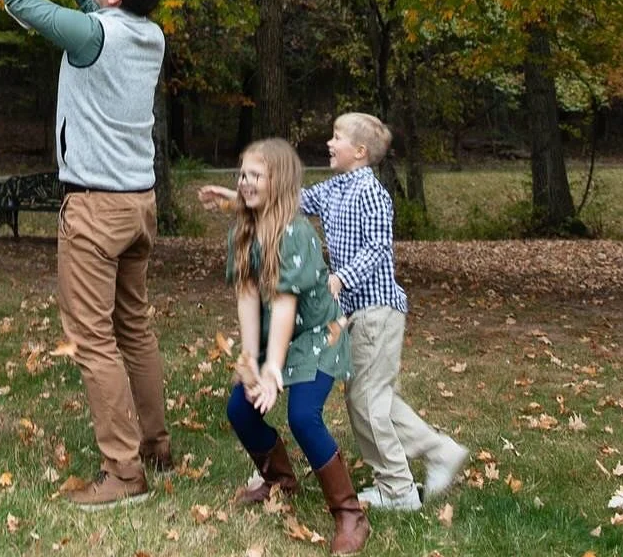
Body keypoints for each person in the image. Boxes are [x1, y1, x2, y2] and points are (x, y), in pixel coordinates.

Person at [0, 0, 170, 507]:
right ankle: (155, 445)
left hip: (95, 209)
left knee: (93, 339)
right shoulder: (149, 34)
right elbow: (95, 1)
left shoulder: (93, 37)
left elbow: (24, 5)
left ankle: (123, 473)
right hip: (140, 204)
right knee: (133, 328)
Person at [201, 112, 468, 512]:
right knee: (373, 397)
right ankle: (439, 450)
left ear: (359, 152)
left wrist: (341, 277)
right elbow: (287, 201)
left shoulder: (371, 193)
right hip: (352, 312)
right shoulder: (335, 187)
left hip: (377, 308)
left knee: (367, 401)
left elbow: (379, 248)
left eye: (337, 137)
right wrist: (234, 196)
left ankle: (398, 489)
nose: (329, 142)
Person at [216, 137, 368, 555]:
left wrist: (273, 370)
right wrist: (251, 359)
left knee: (303, 415)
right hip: (274, 337)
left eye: (256, 176)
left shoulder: (295, 233)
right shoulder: (243, 231)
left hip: (316, 336)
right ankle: (279, 481)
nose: (245, 182)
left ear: (279, 182)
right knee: (239, 409)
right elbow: (248, 296)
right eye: (242, 174)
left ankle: (350, 514)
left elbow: (285, 305)